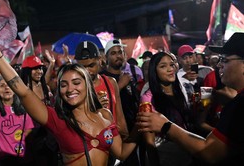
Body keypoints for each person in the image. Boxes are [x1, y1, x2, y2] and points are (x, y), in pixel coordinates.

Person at [0, 30, 140, 166]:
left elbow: (121, 153)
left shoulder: (105, 115)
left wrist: (139, 128)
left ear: (87, 85)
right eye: (63, 85)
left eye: (76, 82)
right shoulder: (57, 119)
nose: (70, 89)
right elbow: (22, 90)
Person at [137, 32, 244, 166]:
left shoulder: (238, 107)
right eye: (163, 66)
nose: (219, 65)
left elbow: (209, 152)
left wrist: (165, 126)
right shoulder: (148, 97)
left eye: (225, 60)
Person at [74, 41, 129, 165]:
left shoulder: (111, 82)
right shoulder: (74, 89)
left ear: (99, 60)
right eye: (83, 67)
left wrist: (125, 137)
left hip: (112, 145)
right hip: (89, 148)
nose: (87, 71)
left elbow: (119, 116)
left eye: (91, 65)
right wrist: (93, 105)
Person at [140, 52, 195, 166]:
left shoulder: (179, 90)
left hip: (186, 151)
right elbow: (150, 141)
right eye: (163, 66)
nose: (170, 69)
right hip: (165, 155)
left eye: (171, 64)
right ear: (154, 72)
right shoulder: (148, 98)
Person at [100, 39, 142, 165]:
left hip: (131, 131)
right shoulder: (102, 77)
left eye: (120, 52)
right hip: (113, 133)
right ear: (106, 57)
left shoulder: (128, 75)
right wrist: (120, 85)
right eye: (113, 53)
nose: (118, 56)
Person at [20, 55, 59, 165]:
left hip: (51, 137)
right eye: (35, 68)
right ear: (27, 71)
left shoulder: (46, 88)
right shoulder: (24, 91)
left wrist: (51, 63)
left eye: (40, 68)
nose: (39, 71)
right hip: (34, 138)